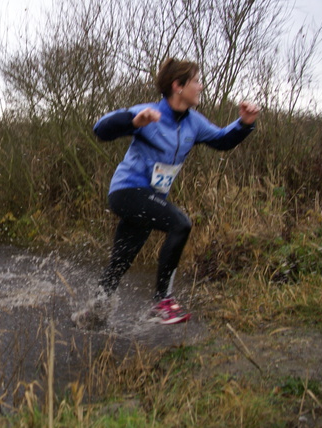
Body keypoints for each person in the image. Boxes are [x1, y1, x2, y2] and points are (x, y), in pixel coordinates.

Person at [72, 58, 260, 328]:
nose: (201, 86)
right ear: (178, 86)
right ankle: (162, 301)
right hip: (127, 191)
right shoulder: (150, 113)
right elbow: (100, 130)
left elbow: (221, 140)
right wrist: (134, 122)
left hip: (151, 199)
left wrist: (244, 124)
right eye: (197, 81)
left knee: (121, 261)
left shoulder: (194, 123)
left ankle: (94, 315)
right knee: (180, 224)